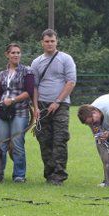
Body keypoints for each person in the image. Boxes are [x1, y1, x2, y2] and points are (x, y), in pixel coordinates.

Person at [31, 29, 76, 185]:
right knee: (44, 140)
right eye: (47, 41)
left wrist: (57, 101)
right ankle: (49, 173)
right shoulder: (36, 62)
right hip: (42, 105)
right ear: (42, 43)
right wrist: (35, 107)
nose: (50, 44)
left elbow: (71, 82)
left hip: (61, 105)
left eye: (52, 41)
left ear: (57, 42)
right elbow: (34, 87)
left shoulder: (66, 59)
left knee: (60, 139)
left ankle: (59, 174)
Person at [0, 43, 35, 182]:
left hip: (20, 111)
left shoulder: (27, 71)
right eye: (13, 53)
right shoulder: (2, 74)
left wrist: (13, 100)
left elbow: (29, 92)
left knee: (17, 143)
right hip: (3, 112)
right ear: (7, 54)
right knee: (0, 143)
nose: (16, 55)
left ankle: (19, 175)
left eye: (18, 52)